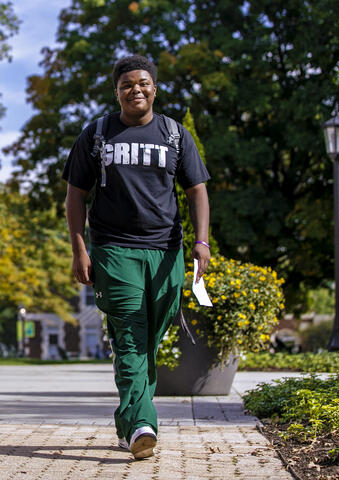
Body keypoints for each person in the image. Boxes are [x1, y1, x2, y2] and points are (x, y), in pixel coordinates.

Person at [63, 55, 210, 460]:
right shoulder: (97, 134)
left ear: (154, 88)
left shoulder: (175, 135)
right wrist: (80, 249)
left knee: (149, 340)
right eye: (127, 84)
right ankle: (144, 423)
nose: (135, 90)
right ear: (117, 91)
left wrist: (202, 242)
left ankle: (129, 421)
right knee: (129, 337)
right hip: (114, 249)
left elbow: (197, 189)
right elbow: (75, 194)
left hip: (165, 253)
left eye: (142, 83)